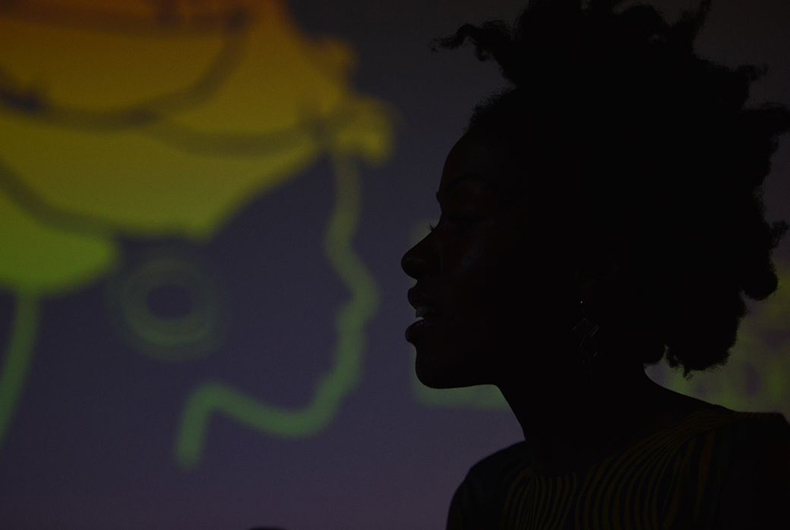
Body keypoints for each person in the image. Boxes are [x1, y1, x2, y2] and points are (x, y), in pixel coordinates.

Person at [400, 0, 790, 528]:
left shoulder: (734, 470)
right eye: (437, 223)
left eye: (465, 219)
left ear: (590, 263)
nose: (416, 257)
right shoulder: (488, 499)